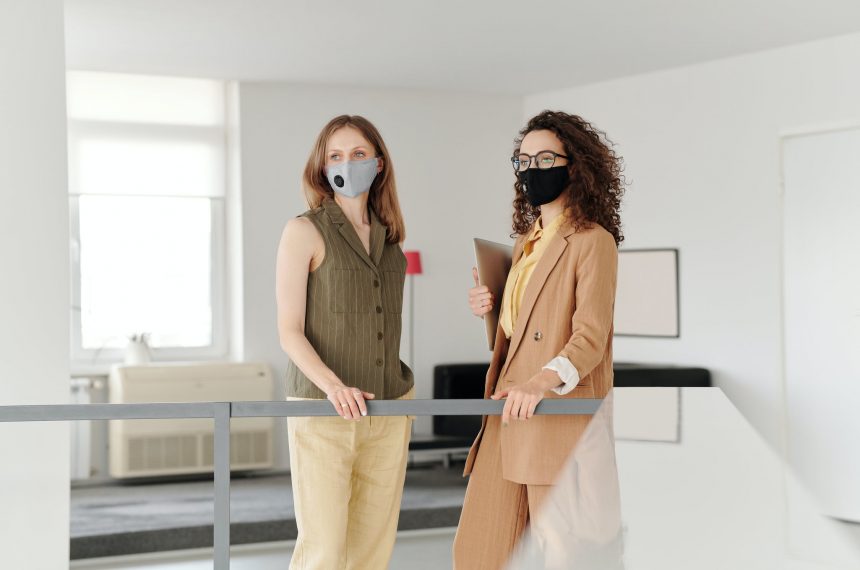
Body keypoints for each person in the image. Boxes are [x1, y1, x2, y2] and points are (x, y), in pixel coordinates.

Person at [454, 110, 625, 569]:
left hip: (554, 416)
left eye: (546, 158)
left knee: (564, 555)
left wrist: (539, 383)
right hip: (506, 413)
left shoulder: (593, 241)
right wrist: (492, 309)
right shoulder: (527, 242)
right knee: (478, 552)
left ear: (575, 165)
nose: (533, 169)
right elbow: (521, 333)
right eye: (523, 160)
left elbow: (590, 338)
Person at [275, 115, 414, 570]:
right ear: (321, 166)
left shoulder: (392, 241)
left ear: (378, 164)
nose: (346, 163)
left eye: (358, 154)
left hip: (389, 407)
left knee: (372, 550)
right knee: (324, 550)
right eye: (335, 155)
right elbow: (289, 330)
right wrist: (334, 386)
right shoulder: (303, 231)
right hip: (322, 408)